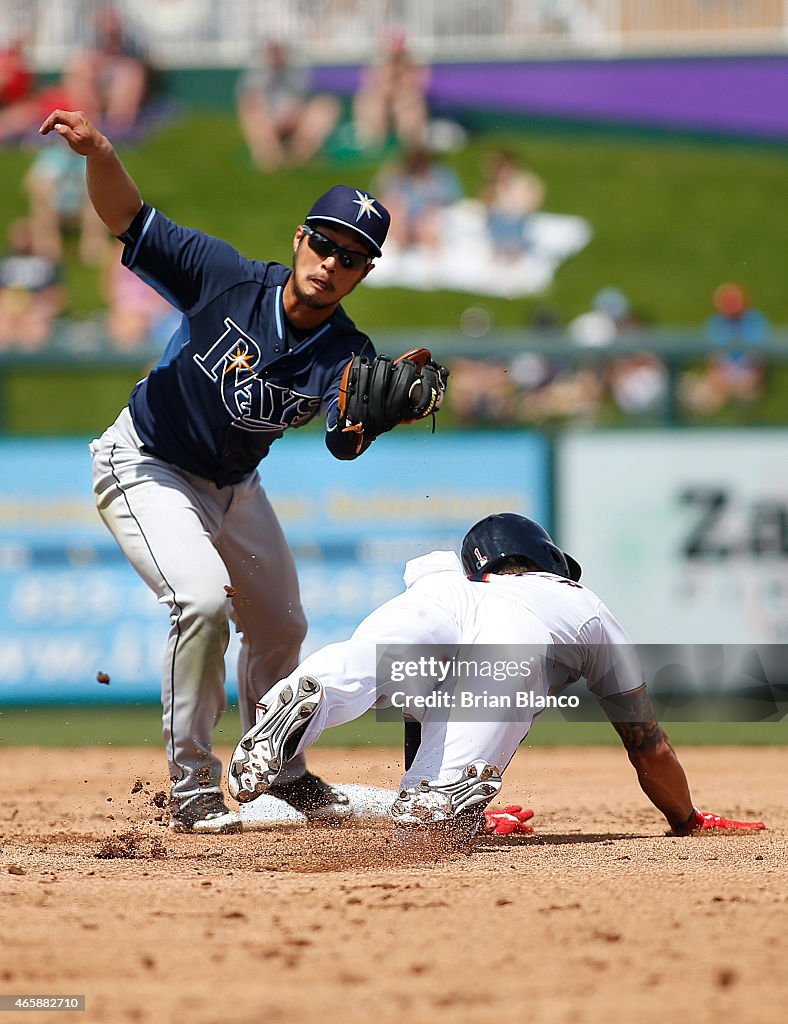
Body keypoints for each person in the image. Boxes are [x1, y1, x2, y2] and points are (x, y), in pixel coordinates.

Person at [39, 106, 444, 836]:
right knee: (200, 601)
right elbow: (129, 219)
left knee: (282, 622)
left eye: (351, 257)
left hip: (233, 487)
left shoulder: (345, 352)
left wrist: (381, 415)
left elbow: (342, 440)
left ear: (365, 271)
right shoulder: (224, 278)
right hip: (146, 460)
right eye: (324, 243)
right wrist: (99, 152)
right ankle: (193, 787)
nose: (331, 263)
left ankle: (274, 771)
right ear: (300, 237)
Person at [228, 513, 765, 845]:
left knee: (361, 665)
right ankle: (435, 800)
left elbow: (422, 705)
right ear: (548, 558)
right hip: (516, 637)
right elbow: (647, 745)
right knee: (432, 822)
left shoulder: (447, 579)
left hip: (430, 605)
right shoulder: (581, 603)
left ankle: (313, 693)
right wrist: (686, 817)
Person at [235, 39, 340, 172]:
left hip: (294, 118)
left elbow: (299, 99)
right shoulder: (257, 72)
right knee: (251, 110)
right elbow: (251, 102)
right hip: (269, 121)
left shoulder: (297, 68)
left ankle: (301, 150)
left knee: (326, 105)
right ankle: (268, 152)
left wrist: (289, 115)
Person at [352, 28, 430, 151]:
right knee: (373, 105)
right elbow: (371, 87)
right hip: (382, 101)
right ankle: (372, 143)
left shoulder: (414, 62)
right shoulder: (377, 62)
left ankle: (410, 143)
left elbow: (418, 87)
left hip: (405, 103)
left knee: (409, 107)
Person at [0, 217, 64, 351]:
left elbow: (57, 294)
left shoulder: (46, 263)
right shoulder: (6, 263)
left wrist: (39, 308)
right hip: (9, 309)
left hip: (36, 309)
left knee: (35, 330)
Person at [480, 149, 545, 259]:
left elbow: (531, 203)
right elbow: (486, 207)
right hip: (499, 221)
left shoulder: (526, 181)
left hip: (518, 221)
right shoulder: (494, 186)